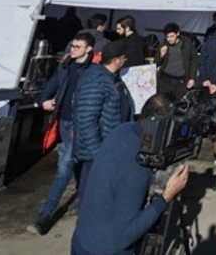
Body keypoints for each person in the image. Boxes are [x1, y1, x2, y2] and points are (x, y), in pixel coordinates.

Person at [71, 94, 190, 255]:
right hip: (106, 249)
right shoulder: (137, 167)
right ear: (163, 128)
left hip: (82, 239)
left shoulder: (122, 130)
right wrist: (166, 197)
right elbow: (124, 237)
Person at [30, 32, 95, 235]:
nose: (72, 49)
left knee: (65, 168)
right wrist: (43, 100)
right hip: (65, 123)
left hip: (81, 125)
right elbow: (52, 83)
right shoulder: (66, 65)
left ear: (88, 49)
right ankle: (81, 199)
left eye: (77, 47)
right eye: (72, 45)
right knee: (77, 164)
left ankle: (45, 215)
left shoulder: (94, 71)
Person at [73, 40, 133, 192]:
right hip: (98, 154)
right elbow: (86, 120)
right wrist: (98, 153)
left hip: (111, 148)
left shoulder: (112, 77)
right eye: (124, 57)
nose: (126, 60)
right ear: (115, 60)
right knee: (92, 193)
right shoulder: (96, 80)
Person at [155, 23, 198, 99]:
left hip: (181, 80)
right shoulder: (163, 45)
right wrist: (161, 55)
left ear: (177, 33)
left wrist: (192, 78)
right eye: (167, 37)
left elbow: (194, 60)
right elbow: (156, 62)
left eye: (172, 36)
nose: (169, 39)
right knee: (163, 102)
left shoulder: (187, 44)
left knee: (179, 103)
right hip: (165, 78)